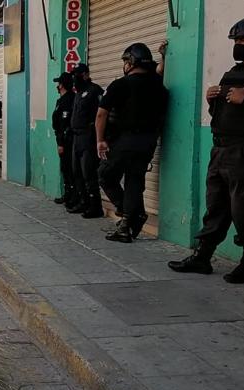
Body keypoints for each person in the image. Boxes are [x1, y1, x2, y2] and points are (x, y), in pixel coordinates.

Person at [169, 16, 244, 283]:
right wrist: (212, 101)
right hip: (221, 149)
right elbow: (224, 112)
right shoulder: (233, 72)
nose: (238, 45)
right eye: (236, 40)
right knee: (216, 206)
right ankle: (202, 257)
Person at [97, 43, 169, 243]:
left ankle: (131, 213)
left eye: (125, 61)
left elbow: (101, 114)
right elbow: (160, 71)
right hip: (148, 141)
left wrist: (100, 140)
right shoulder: (158, 84)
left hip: (125, 140)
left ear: (130, 62)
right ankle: (127, 226)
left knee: (105, 175)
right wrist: (164, 56)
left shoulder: (121, 84)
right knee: (134, 180)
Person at [67, 63, 105, 217]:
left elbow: (102, 114)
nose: (74, 78)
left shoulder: (94, 91)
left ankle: (95, 206)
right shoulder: (78, 92)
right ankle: (83, 202)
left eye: (76, 74)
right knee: (77, 172)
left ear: (85, 74)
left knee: (88, 172)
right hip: (76, 137)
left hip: (88, 137)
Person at [51, 73, 76, 207]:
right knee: (65, 169)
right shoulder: (61, 100)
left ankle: (73, 197)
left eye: (59, 83)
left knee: (70, 169)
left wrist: (61, 143)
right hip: (62, 138)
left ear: (62, 85)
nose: (57, 86)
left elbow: (64, 124)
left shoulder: (69, 100)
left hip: (68, 140)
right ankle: (68, 195)